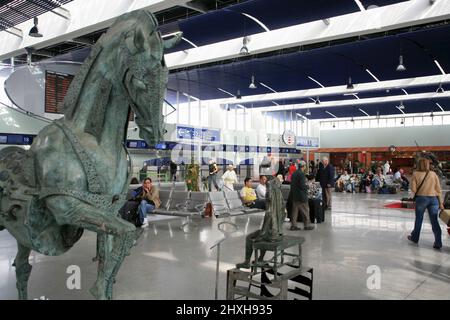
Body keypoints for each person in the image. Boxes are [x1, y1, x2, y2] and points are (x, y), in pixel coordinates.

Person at [407, 158, 443, 249]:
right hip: (433, 199)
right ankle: (438, 242)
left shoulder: (415, 174)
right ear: (428, 165)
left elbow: (413, 189)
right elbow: (438, 189)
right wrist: (441, 203)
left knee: (419, 219)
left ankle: (415, 238)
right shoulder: (433, 174)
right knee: (434, 221)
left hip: (421, 199)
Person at [289, 161, 313, 231]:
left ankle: (293, 225)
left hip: (294, 195)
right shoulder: (302, 174)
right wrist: (307, 186)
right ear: (304, 166)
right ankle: (307, 225)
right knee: (305, 210)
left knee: (294, 211)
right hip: (301, 196)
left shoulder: (294, 173)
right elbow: (302, 185)